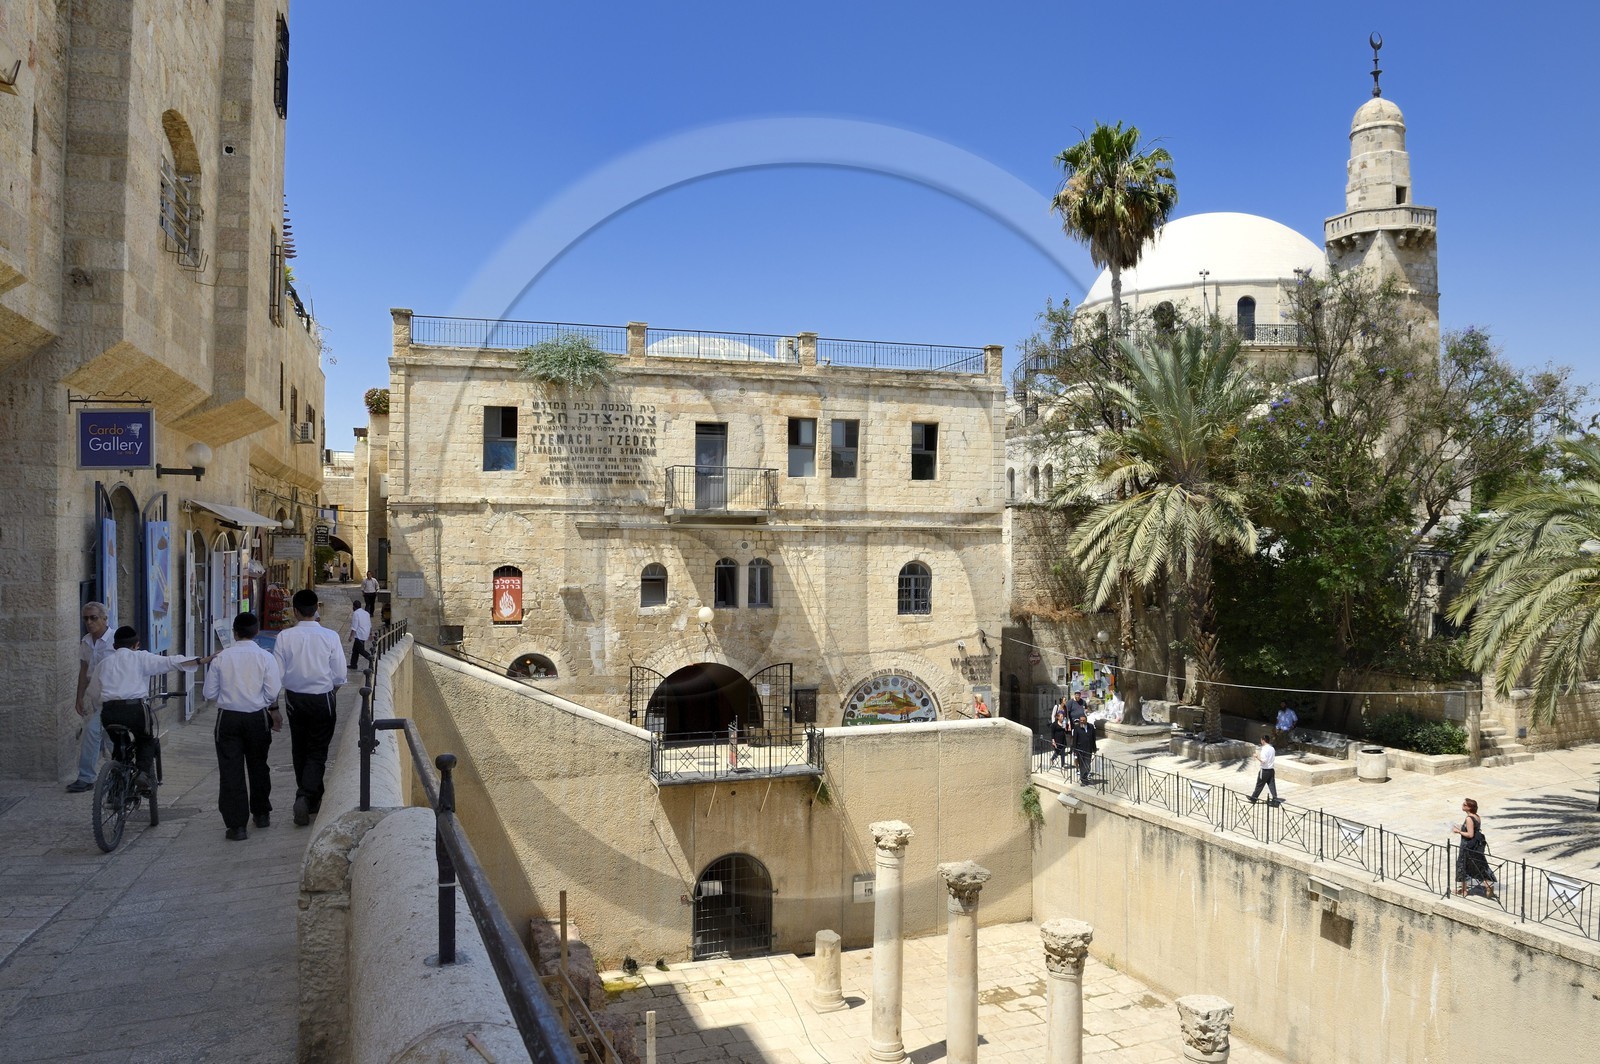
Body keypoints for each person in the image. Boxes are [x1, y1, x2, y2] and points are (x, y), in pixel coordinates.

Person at [204, 613, 282, 841]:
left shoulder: (221, 658)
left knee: (231, 771)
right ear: (257, 631)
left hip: (228, 718)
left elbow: (208, 693)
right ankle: (261, 813)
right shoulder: (266, 658)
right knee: (259, 766)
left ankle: (237, 826)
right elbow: (271, 692)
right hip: (256, 717)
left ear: (235, 633)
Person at [93, 627, 200, 789]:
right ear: (137, 645)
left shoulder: (103, 664)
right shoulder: (141, 658)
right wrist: (199, 660)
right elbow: (170, 662)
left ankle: (116, 784)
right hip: (135, 710)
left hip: (109, 712)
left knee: (118, 743)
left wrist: (99, 707)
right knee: (145, 740)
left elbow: (94, 692)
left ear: (114, 646)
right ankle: (143, 773)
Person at [274, 589, 346, 827]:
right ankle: (305, 797)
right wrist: (331, 691)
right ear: (317, 609)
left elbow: (277, 673)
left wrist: (273, 705)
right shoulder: (330, 636)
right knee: (317, 750)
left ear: (294, 611)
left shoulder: (284, 637)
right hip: (322, 698)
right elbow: (339, 674)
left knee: (300, 749)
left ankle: (312, 799)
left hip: (295, 699)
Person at [67, 602, 115, 792]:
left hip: (112, 699)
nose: (89, 622)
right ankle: (123, 769)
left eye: (93, 617)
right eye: (86, 618)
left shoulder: (115, 641)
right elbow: (84, 670)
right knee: (109, 737)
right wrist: (79, 697)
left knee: (92, 732)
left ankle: (86, 777)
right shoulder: (86, 641)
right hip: (96, 698)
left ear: (104, 618)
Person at [1453, 797, 1497, 899]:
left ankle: (1464, 891)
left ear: (1469, 808)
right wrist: (1461, 827)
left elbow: (1470, 834)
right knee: (1477, 866)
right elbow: (1474, 829)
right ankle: (1488, 885)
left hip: (1467, 846)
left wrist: (1458, 831)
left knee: (1462, 865)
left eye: (1464, 805)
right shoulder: (1477, 817)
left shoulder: (1469, 819)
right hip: (1475, 846)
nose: (1462, 806)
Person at [1248, 734, 1280, 804]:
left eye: (1261, 740)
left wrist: (1256, 757)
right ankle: (1275, 799)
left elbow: (1263, 761)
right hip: (1271, 770)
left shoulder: (1264, 749)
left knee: (1259, 784)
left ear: (1263, 740)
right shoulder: (1272, 748)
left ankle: (1253, 798)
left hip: (1264, 770)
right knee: (1272, 785)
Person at [1070, 715, 1097, 784]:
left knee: (1087, 763)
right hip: (1080, 750)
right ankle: (1083, 779)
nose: (1081, 722)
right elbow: (1075, 740)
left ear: (1086, 720)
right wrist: (1074, 750)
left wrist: (1094, 748)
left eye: (1083, 720)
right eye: (1080, 720)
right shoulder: (1077, 728)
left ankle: (1085, 777)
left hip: (1088, 749)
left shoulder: (1091, 727)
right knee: (1082, 764)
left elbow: (1093, 739)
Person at [348, 598, 372, 670]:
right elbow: (370, 624)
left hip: (359, 635)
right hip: (365, 633)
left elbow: (354, 626)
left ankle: (371, 658)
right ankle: (353, 665)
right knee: (355, 650)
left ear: (354, 607)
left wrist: (351, 636)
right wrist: (370, 634)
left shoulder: (356, 613)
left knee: (361, 650)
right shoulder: (366, 613)